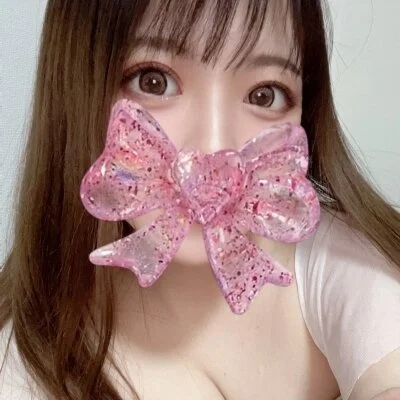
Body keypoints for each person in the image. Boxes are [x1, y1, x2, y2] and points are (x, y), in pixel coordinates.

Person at [0, 0, 399, 399]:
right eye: (154, 82)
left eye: (264, 95)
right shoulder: (20, 367)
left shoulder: (335, 262)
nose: (214, 147)